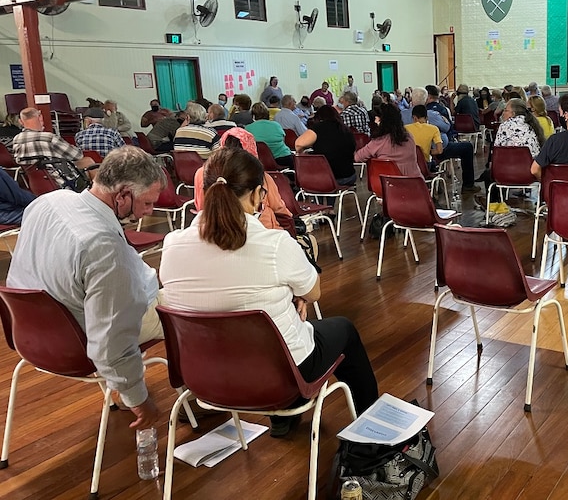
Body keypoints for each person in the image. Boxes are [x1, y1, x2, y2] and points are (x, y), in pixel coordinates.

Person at [160, 147, 379, 435]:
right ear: (255, 195)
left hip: (205, 379)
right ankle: (376, 431)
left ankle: (283, 421)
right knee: (343, 330)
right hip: (279, 382)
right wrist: (296, 293)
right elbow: (314, 293)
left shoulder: (172, 244)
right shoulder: (276, 244)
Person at [7, 146, 167, 429]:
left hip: (31, 336)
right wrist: (140, 400)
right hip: (82, 341)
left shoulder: (48, 201)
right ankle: (201, 399)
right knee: (188, 308)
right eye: (147, 203)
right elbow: (110, 342)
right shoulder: (103, 247)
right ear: (123, 195)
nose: (148, 212)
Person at [194, 128, 291, 230]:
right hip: (262, 228)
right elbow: (278, 208)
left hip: (211, 228)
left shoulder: (202, 173)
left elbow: (201, 206)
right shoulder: (260, 176)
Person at [13, 107, 96, 175]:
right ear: (40, 117)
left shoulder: (17, 139)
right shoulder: (49, 138)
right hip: (56, 179)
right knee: (87, 161)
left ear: (21, 121)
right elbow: (77, 155)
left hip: (34, 182)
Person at [294, 105, 357, 186]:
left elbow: (298, 144)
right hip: (348, 176)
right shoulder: (346, 129)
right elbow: (353, 152)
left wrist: (301, 153)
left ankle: (317, 197)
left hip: (324, 177)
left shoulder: (318, 128)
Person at [353, 103, 421, 176]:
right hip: (415, 183)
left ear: (383, 121)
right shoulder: (409, 137)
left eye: (377, 118)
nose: (375, 121)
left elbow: (357, 158)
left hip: (389, 184)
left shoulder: (378, 141)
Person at [246, 102, 293, 167]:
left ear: (253, 116)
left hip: (261, 162)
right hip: (284, 158)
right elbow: (283, 141)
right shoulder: (276, 125)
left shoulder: (248, 128)